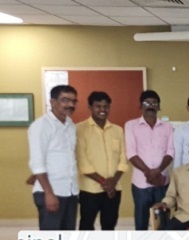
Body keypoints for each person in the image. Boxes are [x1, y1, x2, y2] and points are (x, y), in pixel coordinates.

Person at [75, 91, 129, 230]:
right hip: (89, 189)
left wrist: (113, 182)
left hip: (114, 188)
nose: (102, 110)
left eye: (106, 106)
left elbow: (123, 158)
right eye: (98, 106)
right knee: (86, 225)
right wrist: (105, 183)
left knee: (109, 225)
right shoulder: (79, 129)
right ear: (90, 107)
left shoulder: (118, 130)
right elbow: (83, 162)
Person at [28, 85, 79, 230]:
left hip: (71, 191)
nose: (70, 104)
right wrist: (49, 193)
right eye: (65, 100)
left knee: (68, 237)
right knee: (51, 239)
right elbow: (37, 162)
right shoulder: (41, 125)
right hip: (51, 192)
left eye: (74, 101)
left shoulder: (70, 125)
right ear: (53, 102)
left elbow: (65, 157)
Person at [125, 90, 174, 231]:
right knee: (141, 223)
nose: (151, 106)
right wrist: (149, 172)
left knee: (163, 222)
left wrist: (157, 171)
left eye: (154, 103)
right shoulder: (131, 125)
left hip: (162, 182)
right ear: (140, 106)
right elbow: (131, 153)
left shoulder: (168, 127)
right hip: (140, 183)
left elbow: (170, 152)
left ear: (159, 107)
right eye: (147, 103)